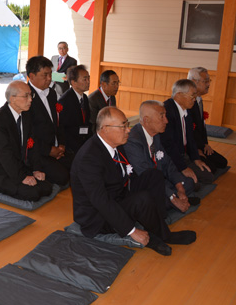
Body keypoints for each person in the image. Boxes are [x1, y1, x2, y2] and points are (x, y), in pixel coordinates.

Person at [71, 106, 197, 256]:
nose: (128, 130)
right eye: (123, 126)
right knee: (141, 199)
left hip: (118, 194)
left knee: (153, 176)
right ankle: (162, 236)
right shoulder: (89, 158)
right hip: (98, 216)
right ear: (105, 129)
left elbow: (130, 175)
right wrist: (132, 231)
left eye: (127, 125)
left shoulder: (116, 144)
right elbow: (101, 201)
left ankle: (158, 223)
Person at [124, 101, 199, 213]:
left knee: (187, 183)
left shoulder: (156, 135)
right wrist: (173, 197)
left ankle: (174, 198)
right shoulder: (133, 140)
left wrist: (179, 188)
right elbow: (146, 173)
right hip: (143, 185)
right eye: (162, 117)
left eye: (165, 116)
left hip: (160, 181)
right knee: (154, 198)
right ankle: (172, 201)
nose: (166, 121)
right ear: (146, 120)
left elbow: (168, 164)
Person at [0, 81, 52, 201]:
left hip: (20, 165)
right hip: (1, 172)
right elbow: (4, 154)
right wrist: (22, 177)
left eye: (31, 95)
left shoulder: (26, 115)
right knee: (33, 193)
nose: (30, 99)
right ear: (12, 99)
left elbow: (33, 145)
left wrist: (36, 169)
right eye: (26, 96)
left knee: (47, 186)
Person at [25, 56, 72, 186]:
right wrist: (49, 150)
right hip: (38, 151)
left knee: (78, 165)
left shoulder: (51, 93)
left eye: (50, 74)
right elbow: (28, 133)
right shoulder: (25, 97)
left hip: (55, 147)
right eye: (45, 75)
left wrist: (61, 145)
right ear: (32, 76)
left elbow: (58, 122)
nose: (49, 79)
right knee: (62, 177)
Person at [160, 79, 213, 185]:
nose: (194, 99)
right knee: (193, 183)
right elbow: (168, 145)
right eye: (192, 96)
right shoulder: (167, 111)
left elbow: (190, 138)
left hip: (183, 154)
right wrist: (183, 167)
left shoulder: (186, 109)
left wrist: (196, 159)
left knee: (208, 176)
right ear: (179, 95)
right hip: (170, 157)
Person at [188, 67, 228, 174]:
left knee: (222, 162)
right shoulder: (188, 103)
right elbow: (189, 130)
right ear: (193, 82)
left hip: (200, 144)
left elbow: (201, 127)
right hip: (189, 147)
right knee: (211, 169)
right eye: (205, 81)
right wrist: (198, 149)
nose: (208, 84)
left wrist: (205, 144)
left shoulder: (199, 99)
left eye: (208, 81)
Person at [58, 65, 92, 155]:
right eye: (85, 79)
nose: (88, 82)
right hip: (71, 148)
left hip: (83, 142)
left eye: (88, 78)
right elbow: (64, 129)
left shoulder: (84, 97)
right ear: (74, 82)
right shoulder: (64, 101)